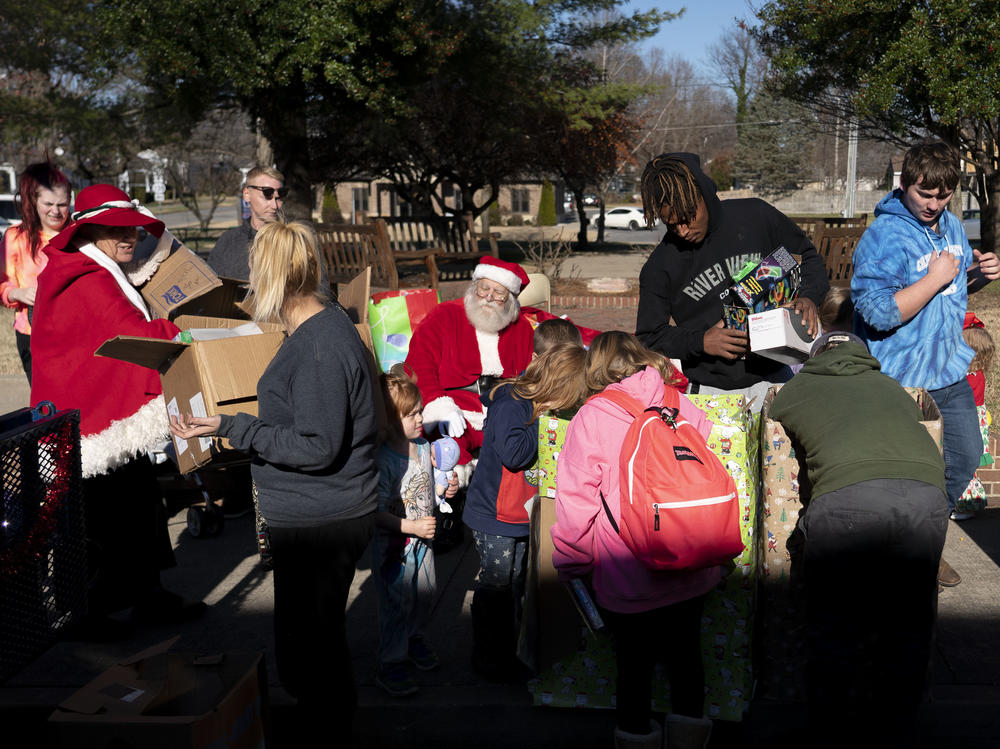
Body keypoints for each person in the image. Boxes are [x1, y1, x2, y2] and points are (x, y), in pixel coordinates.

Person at [170, 220, 377, 744]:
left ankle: (327, 733)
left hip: (320, 519)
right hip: (316, 514)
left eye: (256, 277)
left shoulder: (319, 347)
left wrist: (241, 431)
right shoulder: (320, 329)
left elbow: (317, 445)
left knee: (316, 652)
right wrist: (226, 425)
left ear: (275, 278)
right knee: (310, 645)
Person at [30, 184, 203, 637]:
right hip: (89, 417)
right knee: (104, 515)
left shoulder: (92, 268)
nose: (128, 237)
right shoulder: (85, 276)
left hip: (100, 413)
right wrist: (182, 331)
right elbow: (129, 333)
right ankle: (91, 614)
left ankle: (148, 594)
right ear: (92, 230)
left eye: (132, 230)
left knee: (139, 501)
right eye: (115, 229)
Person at [767, 331, 948, 749]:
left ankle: (830, 735)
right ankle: (896, 733)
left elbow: (775, 416)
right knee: (908, 626)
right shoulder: (891, 387)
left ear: (814, 357)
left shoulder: (798, 388)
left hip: (849, 497)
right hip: (926, 494)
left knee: (835, 627)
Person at [550, 331, 716, 749]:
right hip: (691, 562)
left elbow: (576, 501)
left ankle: (638, 738)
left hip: (627, 572)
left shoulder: (593, 415)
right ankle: (688, 742)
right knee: (686, 661)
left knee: (634, 668)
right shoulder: (682, 404)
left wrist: (571, 564)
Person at [851, 141, 1000, 587]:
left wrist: (977, 275)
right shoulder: (883, 236)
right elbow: (876, 313)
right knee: (900, 474)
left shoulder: (951, 225)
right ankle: (906, 554)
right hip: (898, 378)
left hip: (948, 367)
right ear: (904, 184)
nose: (934, 205)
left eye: (943, 196)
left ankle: (920, 541)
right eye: (925, 194)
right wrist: (934, 278)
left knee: (966, 455)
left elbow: (950, 293)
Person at [635, 152, 830, 406]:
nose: (682, 231)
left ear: (703, 193)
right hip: (710, 393)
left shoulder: (756, 216)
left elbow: (807, 256)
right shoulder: (660, 266)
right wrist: (701, 341)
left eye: (686, 219)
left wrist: (808, 296)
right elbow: (649, 336)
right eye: (672, 225)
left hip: (777, 377)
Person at [464, 327, 587, 682]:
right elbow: (515, 455)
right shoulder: (511, 404)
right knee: (497, 588)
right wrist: (546, 421)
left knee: (517, 585)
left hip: (521, 514)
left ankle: (512, 650)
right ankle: (488, 655)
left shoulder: (531, 405)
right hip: (495, 517)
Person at [372, 368, 458, 697]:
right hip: (394, 547)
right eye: (411, 414)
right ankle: (390, 663)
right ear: (389, 420)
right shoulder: (384, 460)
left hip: (423, 544)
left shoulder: (422, 446)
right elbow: (374, 512)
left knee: (424, 596)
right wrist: (410, 526)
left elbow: (429, 487)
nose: (420, 417)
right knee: (394, 604)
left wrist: (447, 489)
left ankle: (414, 638)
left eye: (419, 410)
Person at [403, 258, 538, 468]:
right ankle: (455, 491)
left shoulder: (520, 328)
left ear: (510, 298)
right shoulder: (444, 315)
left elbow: (529, 375)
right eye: (484, 288)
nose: (489, 297)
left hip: (501, 409)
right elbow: (418, 367)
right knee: (447, 442)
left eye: (499, 292)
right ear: (475, 287)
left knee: (518, 448)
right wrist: (440, 405)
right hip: (456, 407)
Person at [0, 162, 72, 383]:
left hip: (74, 334)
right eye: (48, 203)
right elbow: (3, 287)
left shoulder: (79, 235)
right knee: (47, 406)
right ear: (34, 201)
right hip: (32, 335)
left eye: (62, 204)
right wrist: (19, 294)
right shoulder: (15, 237)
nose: (56, 211)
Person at [206, 166, 286, 280]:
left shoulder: (297, 242)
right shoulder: (227, 242)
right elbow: (210, 289)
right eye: (267, 194)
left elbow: (318, 291)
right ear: (246, 194)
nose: (275, 205)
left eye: (279, 197)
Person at [954, 313, 994, 519]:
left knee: (964, 467)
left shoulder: (967, 377)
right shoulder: (976, 374)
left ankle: (968, 505)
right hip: (971, 419)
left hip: (966, 421)